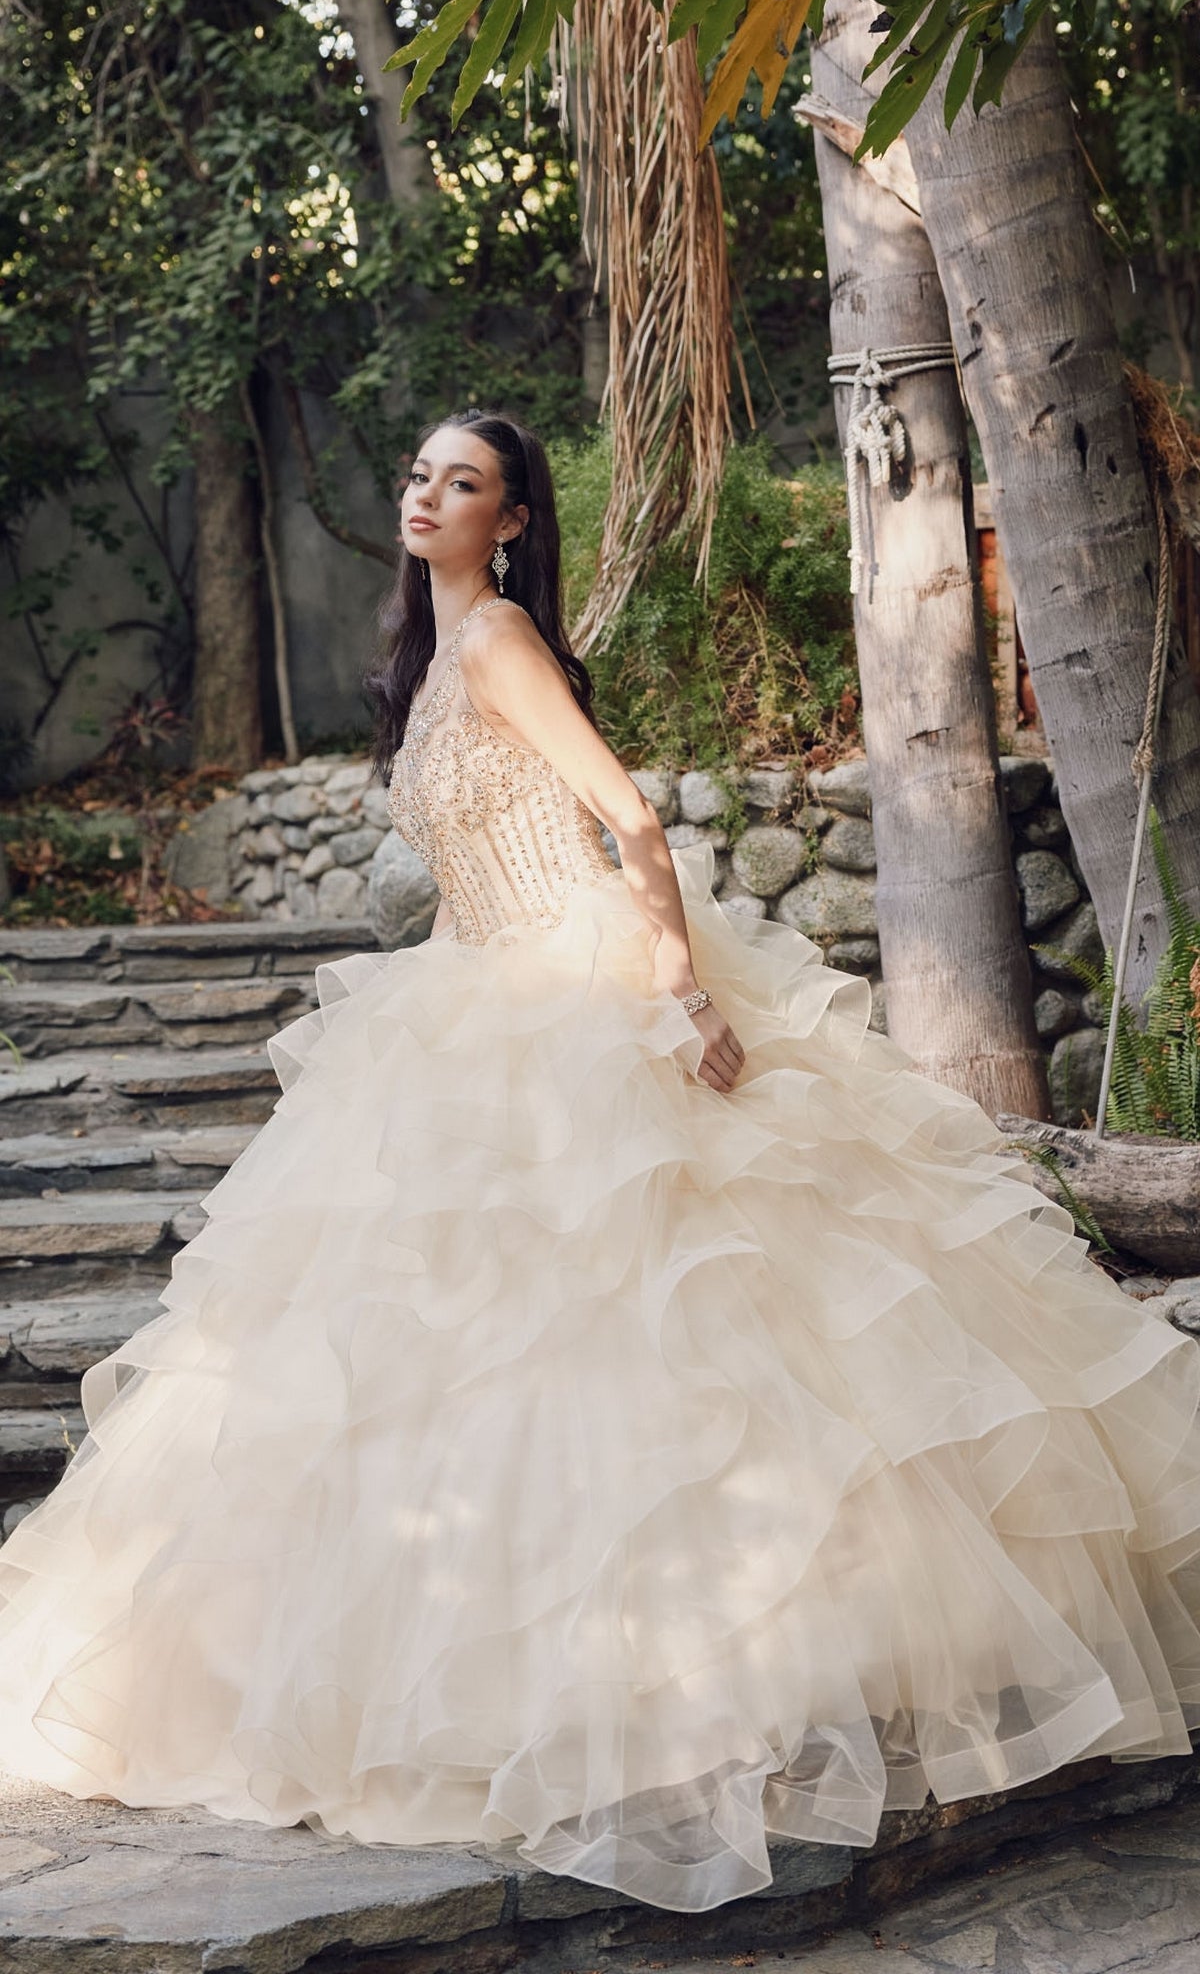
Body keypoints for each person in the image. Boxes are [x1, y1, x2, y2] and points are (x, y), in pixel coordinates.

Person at [0, 406, 1199, 1918]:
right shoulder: (428, 663)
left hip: (587, 985)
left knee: (677, 1321)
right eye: (422, 476)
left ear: (510, 521)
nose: (428, 496)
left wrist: (682, 994)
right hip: (480, 983)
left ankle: (745, 1676)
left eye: (464, 484)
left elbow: (626, 815)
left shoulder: (497, 638)